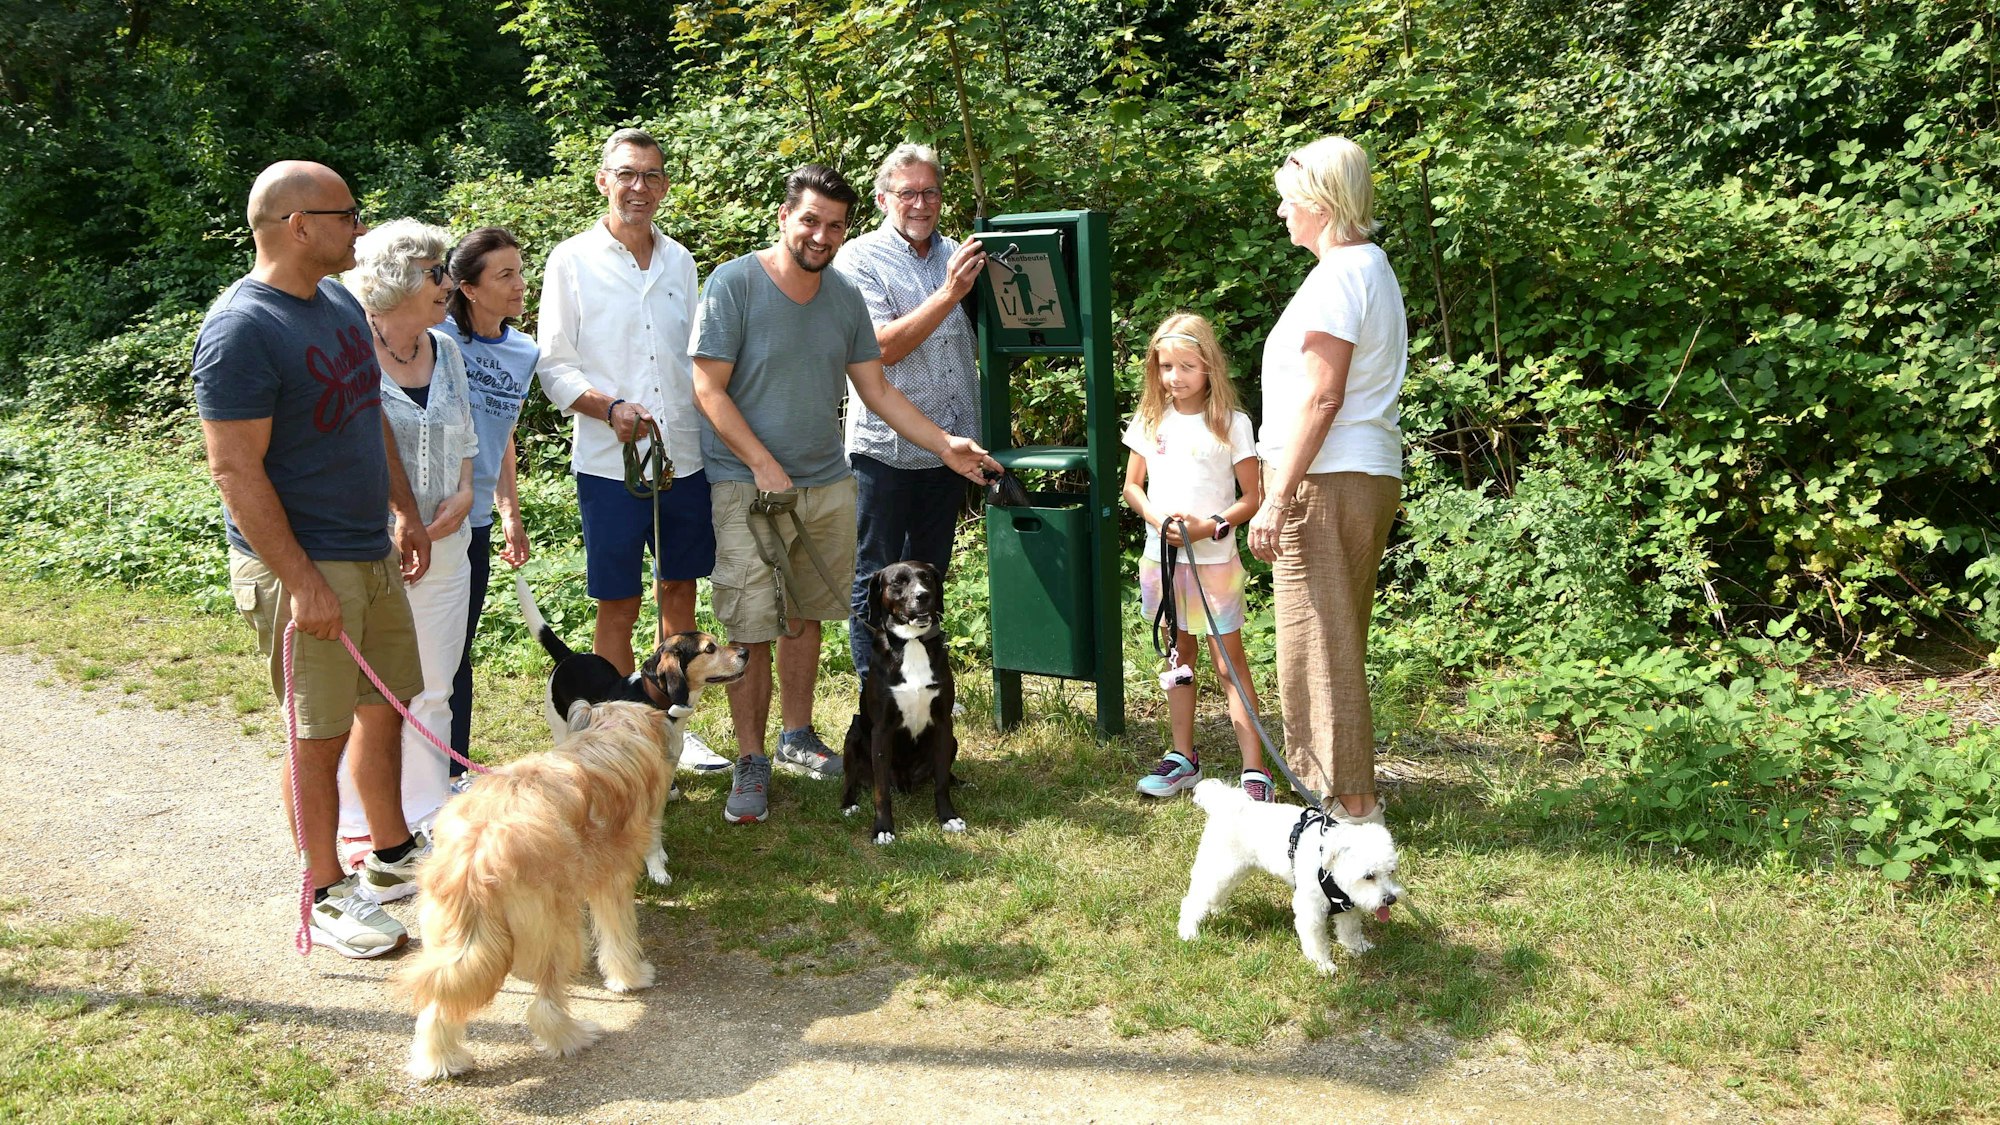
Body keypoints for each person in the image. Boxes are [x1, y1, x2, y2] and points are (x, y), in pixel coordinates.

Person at [690, 163, 999, 825]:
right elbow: (707, 388)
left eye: (834, 224)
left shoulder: (841, 298)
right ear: (783, 217)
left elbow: (879, 390)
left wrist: (946, 445)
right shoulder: (734, 284)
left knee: (805, 616)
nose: (821, 235)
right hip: (745, 483)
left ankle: (797, 736)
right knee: (750, 624)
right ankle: (751, 761)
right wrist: (761, 460)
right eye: (810, 220)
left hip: (824, 480)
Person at [193, 161, 429, 958]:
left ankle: (391, 855)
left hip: (366, 549)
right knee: (317, 732)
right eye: (346, 214)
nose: (359, 228)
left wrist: (402, 507)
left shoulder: (334, 300)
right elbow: (233, 467)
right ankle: (324, 889)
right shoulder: (241, 328)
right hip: (305, 562)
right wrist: (298, 580)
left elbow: (370, 417)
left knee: (384, 705)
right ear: (298, 224)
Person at [536, 127, 725, 768]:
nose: (638, 187)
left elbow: (694, 361)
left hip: (684, 459)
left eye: (650, 175)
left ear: (664, 185)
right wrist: (607, 407)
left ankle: (673, 720)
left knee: (679, 587)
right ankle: (615, 727)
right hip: (607, 463)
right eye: (626, 174)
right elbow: (553, 366)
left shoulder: (681, 261)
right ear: (602, 181)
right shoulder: (570, 260)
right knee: (618, 598)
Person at [1245, 137, 1407, 825]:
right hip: (1357, 472)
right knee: (1333, 639)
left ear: (1318, 200)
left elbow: (1322, 396)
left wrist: (1278, 494)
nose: (1281, 211)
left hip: (1327, 477)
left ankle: (1345, 812)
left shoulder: (1343, 273)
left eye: (1288, 196)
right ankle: (1342, 801)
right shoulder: (1368, 268)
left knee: (1315, 642)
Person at [333, 219, 479, 873]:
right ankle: (362, 823)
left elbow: (468, 437)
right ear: (394, 280)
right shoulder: (346, 348)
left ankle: (427, 811)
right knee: (368, 695)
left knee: (436, 685)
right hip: (370, 550)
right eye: (435, 270)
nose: (448, 281)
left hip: (447, 545)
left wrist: (466, 495)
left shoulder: (446, 348)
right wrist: (391, 516)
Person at [830, 143, 986, 680]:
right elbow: (879, 348)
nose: (921, 203)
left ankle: (920, 684)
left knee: (928, 577)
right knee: (877, 575)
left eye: (931, 192)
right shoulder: (858, 259)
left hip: (951, 448)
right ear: (882, 199)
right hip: (886, 451)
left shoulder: (960, 252)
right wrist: (948, 294)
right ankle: (877, 690)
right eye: (908, 193)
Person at [1121, 314, 1269, 801]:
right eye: (1166, 366)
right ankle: (1183, 757)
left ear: (1209, 365)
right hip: (1162, 560)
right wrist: (1157, 520)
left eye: (1187, 366)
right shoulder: (1149, 419)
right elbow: (1132, 487)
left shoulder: (1232, 423)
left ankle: (1255, 770)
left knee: (1228, 662)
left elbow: (1251, 496)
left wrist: (1212, 525)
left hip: (1214, 563)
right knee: (1177, 654)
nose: (1175, 377)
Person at [442, 227, 535, 790]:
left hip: (475, 521)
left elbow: (503, 436)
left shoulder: (523, 351)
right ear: (469, 289)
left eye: (520, 271)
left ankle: (453, 770)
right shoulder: (437, 338)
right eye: (506, 275)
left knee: (459, 648)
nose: (521, 284)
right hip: (429, 517)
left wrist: (509, 512)